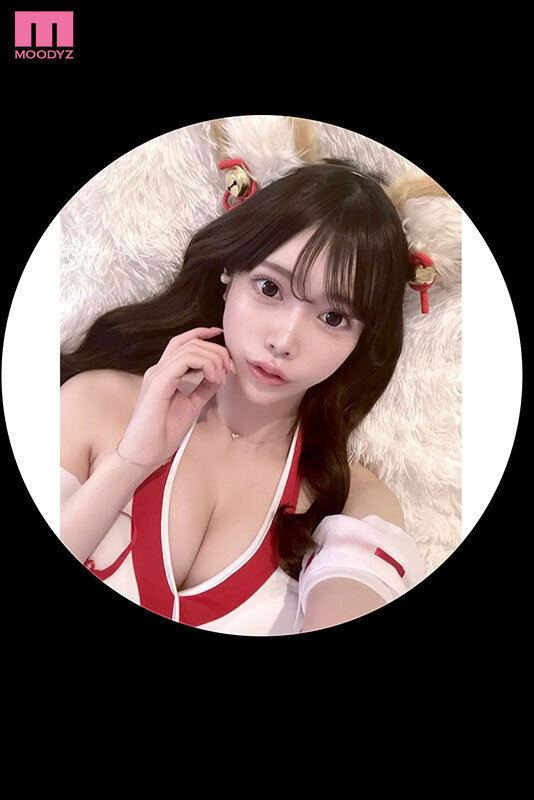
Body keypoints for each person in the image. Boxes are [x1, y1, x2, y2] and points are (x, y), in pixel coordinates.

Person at [59, 157, 426, 636]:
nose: (284, 340)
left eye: (333, 318)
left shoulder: (350, 499)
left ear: (362, 340)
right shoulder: (94, 403)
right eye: (270, 288)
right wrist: (131, 461)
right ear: (230, 270)